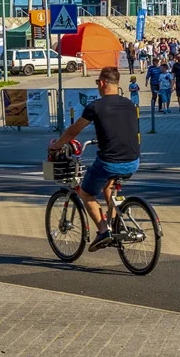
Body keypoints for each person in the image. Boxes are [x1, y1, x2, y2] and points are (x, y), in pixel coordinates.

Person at [50, 67, 140, 251]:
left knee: (86, 193)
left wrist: (58, 144)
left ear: (102, 83)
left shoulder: (96, 106)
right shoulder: (130, 104)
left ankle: (102, 231)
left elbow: (75, 130)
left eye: (97, 82)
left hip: (109, 162)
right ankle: (115, 223)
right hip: (133, 160)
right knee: (108, 186)